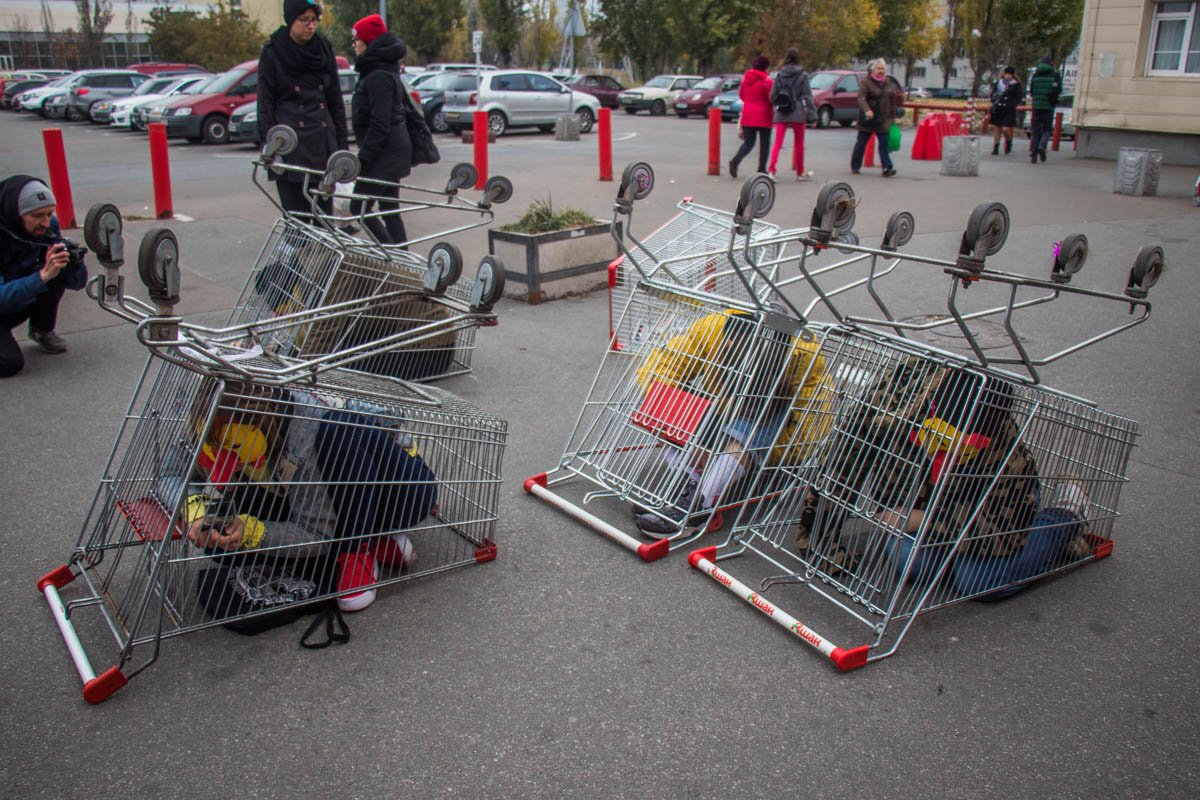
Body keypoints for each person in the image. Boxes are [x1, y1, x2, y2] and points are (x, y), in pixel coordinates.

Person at [797, 361, 1092, 599]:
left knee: (976, 580)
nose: (944, 454)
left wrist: (918, 520)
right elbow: (845, 455)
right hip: (935, 506)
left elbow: (1001, 531)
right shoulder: (898, 398)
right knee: (907, 559)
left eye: (960, 449)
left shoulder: (1005, 451)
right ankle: (955, 554)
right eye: (935, 440)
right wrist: (818, 534)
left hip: (991, 513)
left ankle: (1065, 516)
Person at [166, 383, 438, 613]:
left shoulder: (302, 430)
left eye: (232, 448)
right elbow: (170, 474)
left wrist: (254, 532)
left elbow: (316, 535)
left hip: (399, 492)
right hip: (326, 499)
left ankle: (357, 549)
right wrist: (196, 510)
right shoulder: (205, 416)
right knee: (220, 545)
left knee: (338, 428)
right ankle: (376, 542)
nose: (220, 463)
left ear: (258, 424)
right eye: (214, 449)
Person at [630, 309, 830, 537]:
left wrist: (760, 454)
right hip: (720, 410)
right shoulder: (711, 329)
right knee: (665, 405)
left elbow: (809, 432)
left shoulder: (806, 355)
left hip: (767, 419)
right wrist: (688, 431)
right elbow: (658, 371)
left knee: (749, 427)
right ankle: (685, 486)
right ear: (727, 345)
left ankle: (700, 509)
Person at [257, 0, 349, 218]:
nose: (311, 26)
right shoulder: (273, 52)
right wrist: (269, 146)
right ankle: (296, 252)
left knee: (322, 219)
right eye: (304, 20)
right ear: (291, 20)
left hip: (322, 142)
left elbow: (335, 99)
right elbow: (265, 104)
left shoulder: (323, 49)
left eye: (314, 20)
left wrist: (342, 148)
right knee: (296, 218)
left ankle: (323, 253)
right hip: (290, 145)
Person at [0, 175, 87, 378]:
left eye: (49, 213)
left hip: (17, 297)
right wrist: (41, 277)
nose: (46, 222)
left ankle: (42, 329)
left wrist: (74, 265)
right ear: (16, 214)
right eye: (37, 215)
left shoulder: (49, 226)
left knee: (56, 267)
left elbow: (78, 284)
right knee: (10, 362)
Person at [348, 13, 412, 245]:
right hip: (390, 152)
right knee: (388, 209)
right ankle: (402, 260)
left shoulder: (377, 75)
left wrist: (363, 158)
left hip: (385, 154)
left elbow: (380, 123)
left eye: (357, 40)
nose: (354, 45)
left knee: (359, 206)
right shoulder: (380, 70)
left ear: (369, 42)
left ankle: (393, 259)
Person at [767, 48, 817, 181]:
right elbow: (807, 96)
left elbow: (772, 95)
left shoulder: (779, 75)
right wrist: (812, 115)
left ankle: (771, 170)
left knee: (778, 142)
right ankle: (800, 172)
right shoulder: (803, 75)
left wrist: (777, 103)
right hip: (798, 110)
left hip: (782, 110)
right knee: (799, 143)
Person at [850, 58, 900, 178]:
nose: (881, 71)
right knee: (861, 143)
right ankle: (855, 166)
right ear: (872, 70)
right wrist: (867, 110)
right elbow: (861, 98)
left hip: (883, 120)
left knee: (884, 144)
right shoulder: (866, 82)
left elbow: (892, 99)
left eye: (883, 69)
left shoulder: (888, 82)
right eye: (879, 68)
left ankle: (886, 168)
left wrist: (893, 116)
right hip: (869, 118)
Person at [729, 55, 774, 179]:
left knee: (749, 143)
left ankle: (735, 161)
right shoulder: (767, 81)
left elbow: (742, 95)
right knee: (764, 144)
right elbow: (771, 98)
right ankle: (761, 169)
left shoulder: (745, 79)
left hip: (748, 114)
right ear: (765, 67)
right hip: (764, 115)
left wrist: (750, 103)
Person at [1028, 56, 1062, 164]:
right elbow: (1059, 90)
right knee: (1047, 129)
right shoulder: (1055, 75)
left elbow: (1032, 91)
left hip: (1036, 106)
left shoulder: (1035, 75)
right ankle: (1042, 145)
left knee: (1035, 131)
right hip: (1048, 106)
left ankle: (1033, 155)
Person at [988, 66, 1023, 156]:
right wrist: (993, 100)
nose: (1007, 76)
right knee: (997, 129)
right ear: (1004, 74)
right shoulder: (999, 83)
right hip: (998, 108)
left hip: (1009, 109)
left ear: (1012, 75)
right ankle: (995, 148)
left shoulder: (1016, 84)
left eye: (1009, 74)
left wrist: (1012, 104)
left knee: (1005, 128)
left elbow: (1018, 97)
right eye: (1006, 74)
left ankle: (1008, 141)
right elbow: (993, 94)